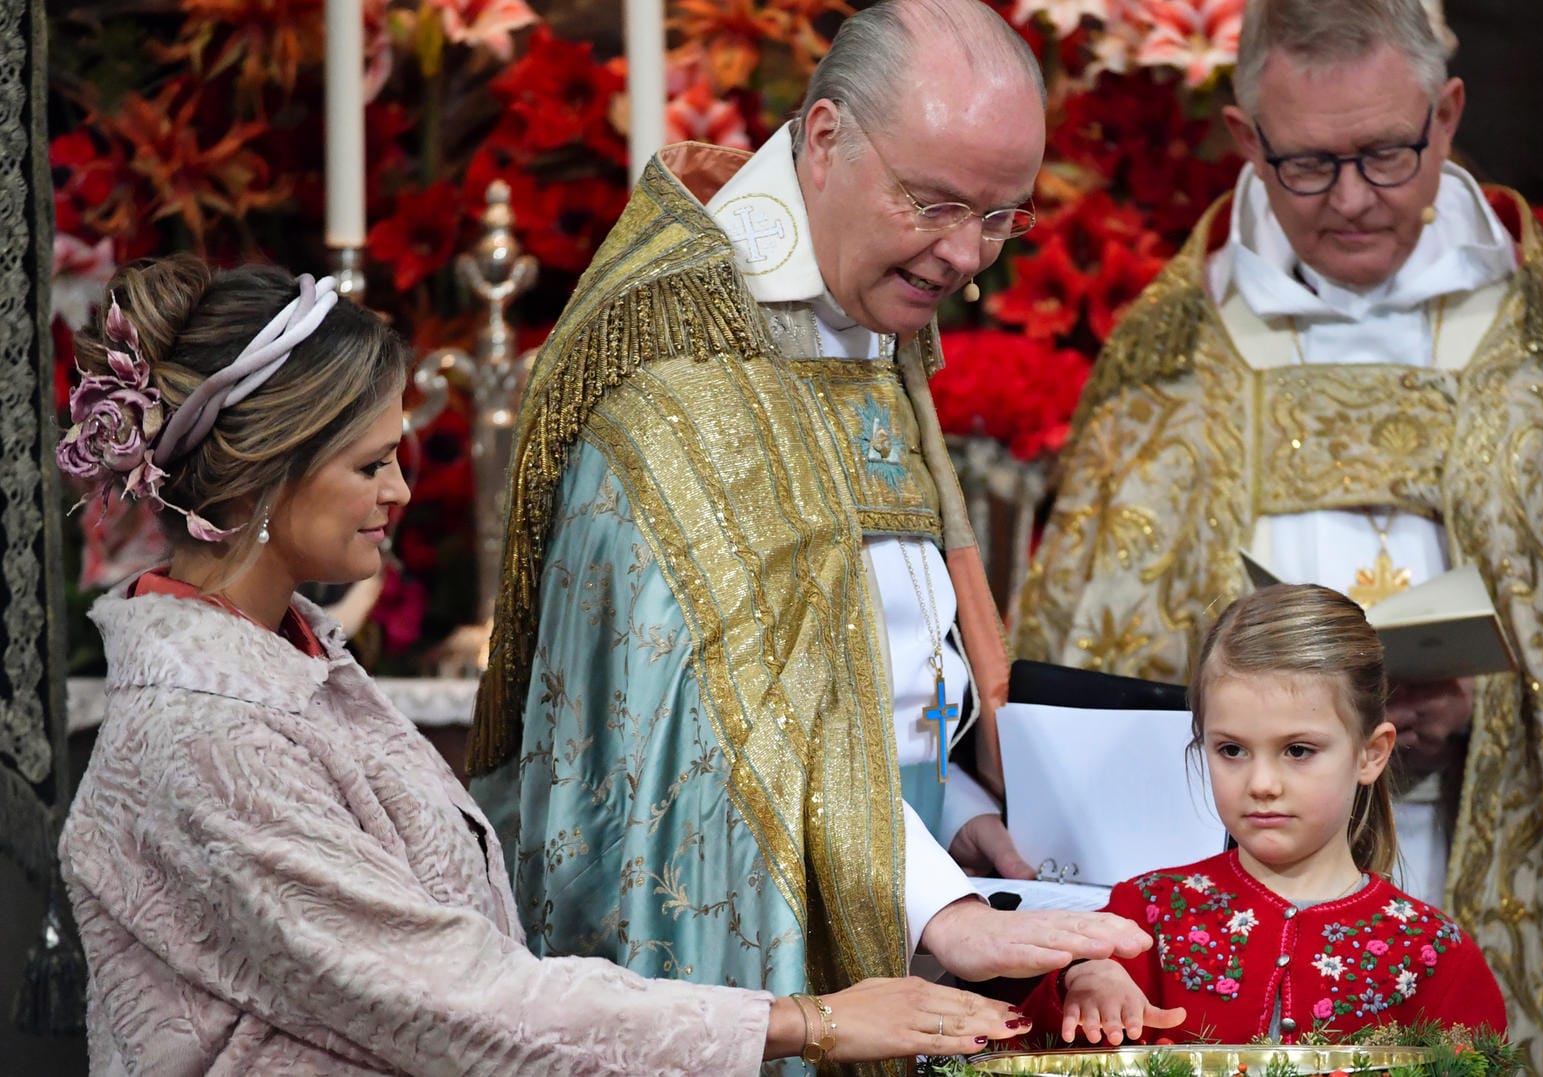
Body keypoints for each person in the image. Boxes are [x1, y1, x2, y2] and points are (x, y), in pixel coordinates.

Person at [1010, 0, 1543, 1072]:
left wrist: (1504, 696)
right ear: (1247, 141)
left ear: (1448, 113)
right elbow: (1093, 660)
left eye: (1387, 154)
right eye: (1307, 165)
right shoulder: (1167, 359)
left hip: (1492, 854)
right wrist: (1274, 722)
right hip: (1246, 863)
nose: (1351, 200)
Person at [56, 255, 1035, 1075]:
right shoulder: (205, 736)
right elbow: (460, 999)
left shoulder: (293, 662)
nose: (400, 490)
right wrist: (810, 1022)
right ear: (267, 468)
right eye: (369, 465)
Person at [465, 0, 1148, 1057]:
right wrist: (940, 905)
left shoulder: (869, 306)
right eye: (935, 203)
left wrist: (958, 803)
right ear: (825, 138)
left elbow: (876, 658)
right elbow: (723, 723)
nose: (968, 254)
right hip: (756, 931)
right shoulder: (685, 360)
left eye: (1002, 217)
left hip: (917, 885)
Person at [1020, 585, 1506, 1046]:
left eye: (1297, 750)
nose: (1262, 784)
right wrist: (1079, 982)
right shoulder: (1140, 921)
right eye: (1231, 750)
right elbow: (1035, 1048)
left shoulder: (1433, 955)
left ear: (1370, 754)